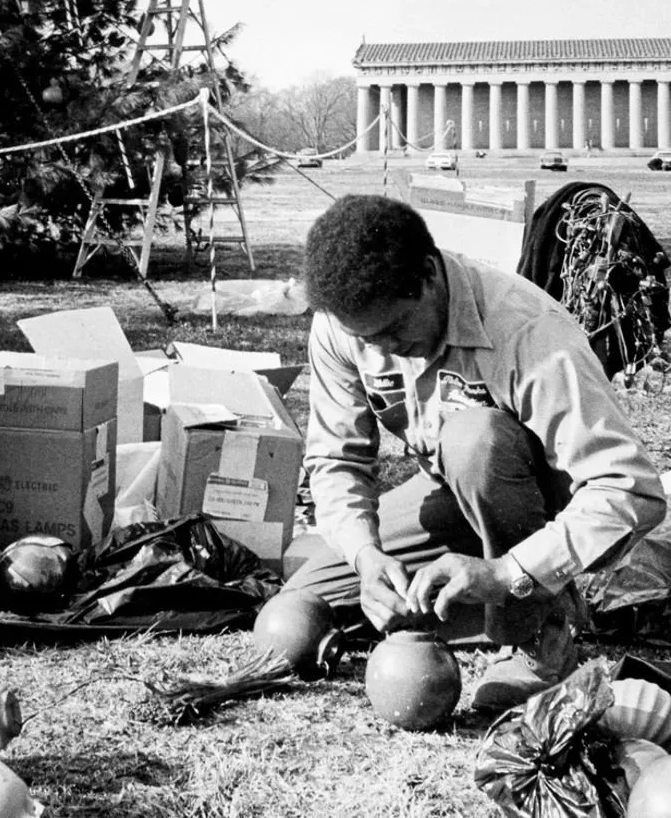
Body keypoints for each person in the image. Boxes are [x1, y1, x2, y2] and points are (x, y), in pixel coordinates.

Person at [282, 194, 666, 712]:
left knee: (475, 440)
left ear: (429, 275)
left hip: (544, 508)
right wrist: (365, 555)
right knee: (309, 601)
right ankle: (481, 600)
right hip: (453, 494)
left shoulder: (529, 331)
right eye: (366, 339)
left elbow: (630, 489)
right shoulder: (343, 325)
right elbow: (336, 460)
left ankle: (537, 634)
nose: (383, 351)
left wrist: (507, 574)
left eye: (395, 330)